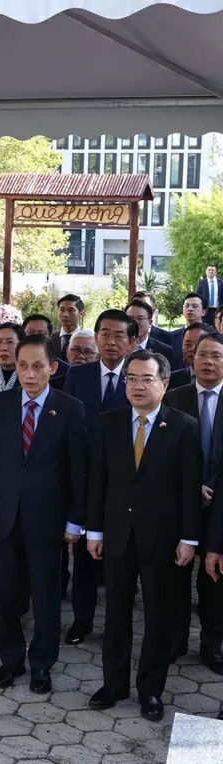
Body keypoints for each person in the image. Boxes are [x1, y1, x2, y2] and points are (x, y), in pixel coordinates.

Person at [86, 351, 201, 722]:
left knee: (158, 619)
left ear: (164, 384)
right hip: (118, 536)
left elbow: (188, 490)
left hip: (163, 541)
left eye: (146, 379)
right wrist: (95, 531)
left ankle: (150, 690)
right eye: (130, 378)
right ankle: (114, 684)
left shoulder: (184, 426)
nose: (136, 386)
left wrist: (189, 539)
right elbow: (98, 484)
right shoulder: (109, 422)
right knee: (116, 615)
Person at [0, 335, 88, 694]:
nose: (29, 373)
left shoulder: (70, 408)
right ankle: (10, 660)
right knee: (6, 595)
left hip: (48, 519)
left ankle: (42, 662)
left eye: (38, 366)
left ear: (53, 368)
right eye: (22, 365)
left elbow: (77, 469)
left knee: (45, 597)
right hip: (4, 515)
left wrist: (75, 519)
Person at [62, 309, 137, 645]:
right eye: (104, 334)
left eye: (119, 335)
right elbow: (64, 426)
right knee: (84, 559)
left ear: (132, 341)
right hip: (84, 480)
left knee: (120, 561)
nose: (110, 341)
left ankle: (117, 627)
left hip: (125, 483)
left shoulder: (139, 377)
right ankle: (82, 620)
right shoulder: (78, 375)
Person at [164, 332, 223, 672]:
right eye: (203, 354)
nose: (208, 361)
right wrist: (192, 487)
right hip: (180, 504)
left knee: (215, 579)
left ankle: (212, 642)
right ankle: (176, 639)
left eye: (216, 355)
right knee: (176, 574)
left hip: (221, 504)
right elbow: (162, 455)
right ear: (191, 358)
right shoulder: (173, 398)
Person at [125, 299, 176, 368]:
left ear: (150, 323)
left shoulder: (165, 351)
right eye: (130, 318)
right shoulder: (116, 347)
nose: (134, 323)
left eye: (140, 318)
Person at [51, 295, 84, 359]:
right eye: (62, 310)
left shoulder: (88, 340)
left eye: (70, 310)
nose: (65, 314)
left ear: (81, 313)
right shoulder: (50, 339)